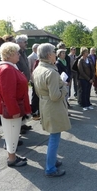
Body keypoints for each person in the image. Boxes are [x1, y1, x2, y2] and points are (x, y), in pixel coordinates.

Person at [33, 43, 71, 177]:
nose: (56, 53)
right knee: (54, 137)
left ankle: (52, 161)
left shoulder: (38, 68)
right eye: (54, 52)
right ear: (49, 55)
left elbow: (38, 92)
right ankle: (50, 168)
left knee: (53, 135)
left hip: (44, 104)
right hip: (53, 107)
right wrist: (64, 88)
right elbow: (55, 96)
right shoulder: (51, 72)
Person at [0, 42, 31, 167]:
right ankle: (12, 159)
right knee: (11, 134)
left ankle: (12, 155)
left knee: (13, 133)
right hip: (12, 108)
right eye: (16, 53)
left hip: (15, 105)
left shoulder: (9, 67)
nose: (19, 55)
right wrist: (14, 110)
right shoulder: (7, 69)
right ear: (9, 55)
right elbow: (8, 94)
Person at [28, 43, 40, 119]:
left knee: (38, 96)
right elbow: (29, 69)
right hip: (34, 79)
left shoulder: (38, 56)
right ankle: (34, 111)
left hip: (38, 79)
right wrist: (31, 79)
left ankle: (39, 111)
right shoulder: (31, 57)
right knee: (35, 96)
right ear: (35, 49)